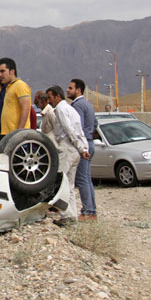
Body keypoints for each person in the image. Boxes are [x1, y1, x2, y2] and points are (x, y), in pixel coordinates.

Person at [46, 86, 89, 226]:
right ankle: (73, 217)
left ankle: (67, 215)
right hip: (75, 150)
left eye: (50, 98)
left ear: (58, 97)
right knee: (69, 185)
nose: (49, 101)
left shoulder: (60, 109)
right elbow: (79, 130)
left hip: (67, 148)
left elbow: (69, 129)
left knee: (58, 183)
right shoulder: (71, 109)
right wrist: (82, 147)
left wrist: (79, 146)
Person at [68, 79, 99, 221]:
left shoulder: (77, 105)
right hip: (90, 142)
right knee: (87, 178)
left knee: (82, 179)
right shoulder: (88, 104)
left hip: (83, 144)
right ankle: (92, 211)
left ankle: (87, 211)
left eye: (70, 88)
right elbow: (95, 124)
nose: (67, 90)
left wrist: (80, 145)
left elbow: (76, 126)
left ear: (78, 90)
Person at [0, 58, 32, 136]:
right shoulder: (9, 87)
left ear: (12, 71)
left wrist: (19, 133)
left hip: (17, 136)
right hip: (8, 134)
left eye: (3, 71)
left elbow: (26, 108)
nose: (0, 75)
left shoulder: (20, 85)